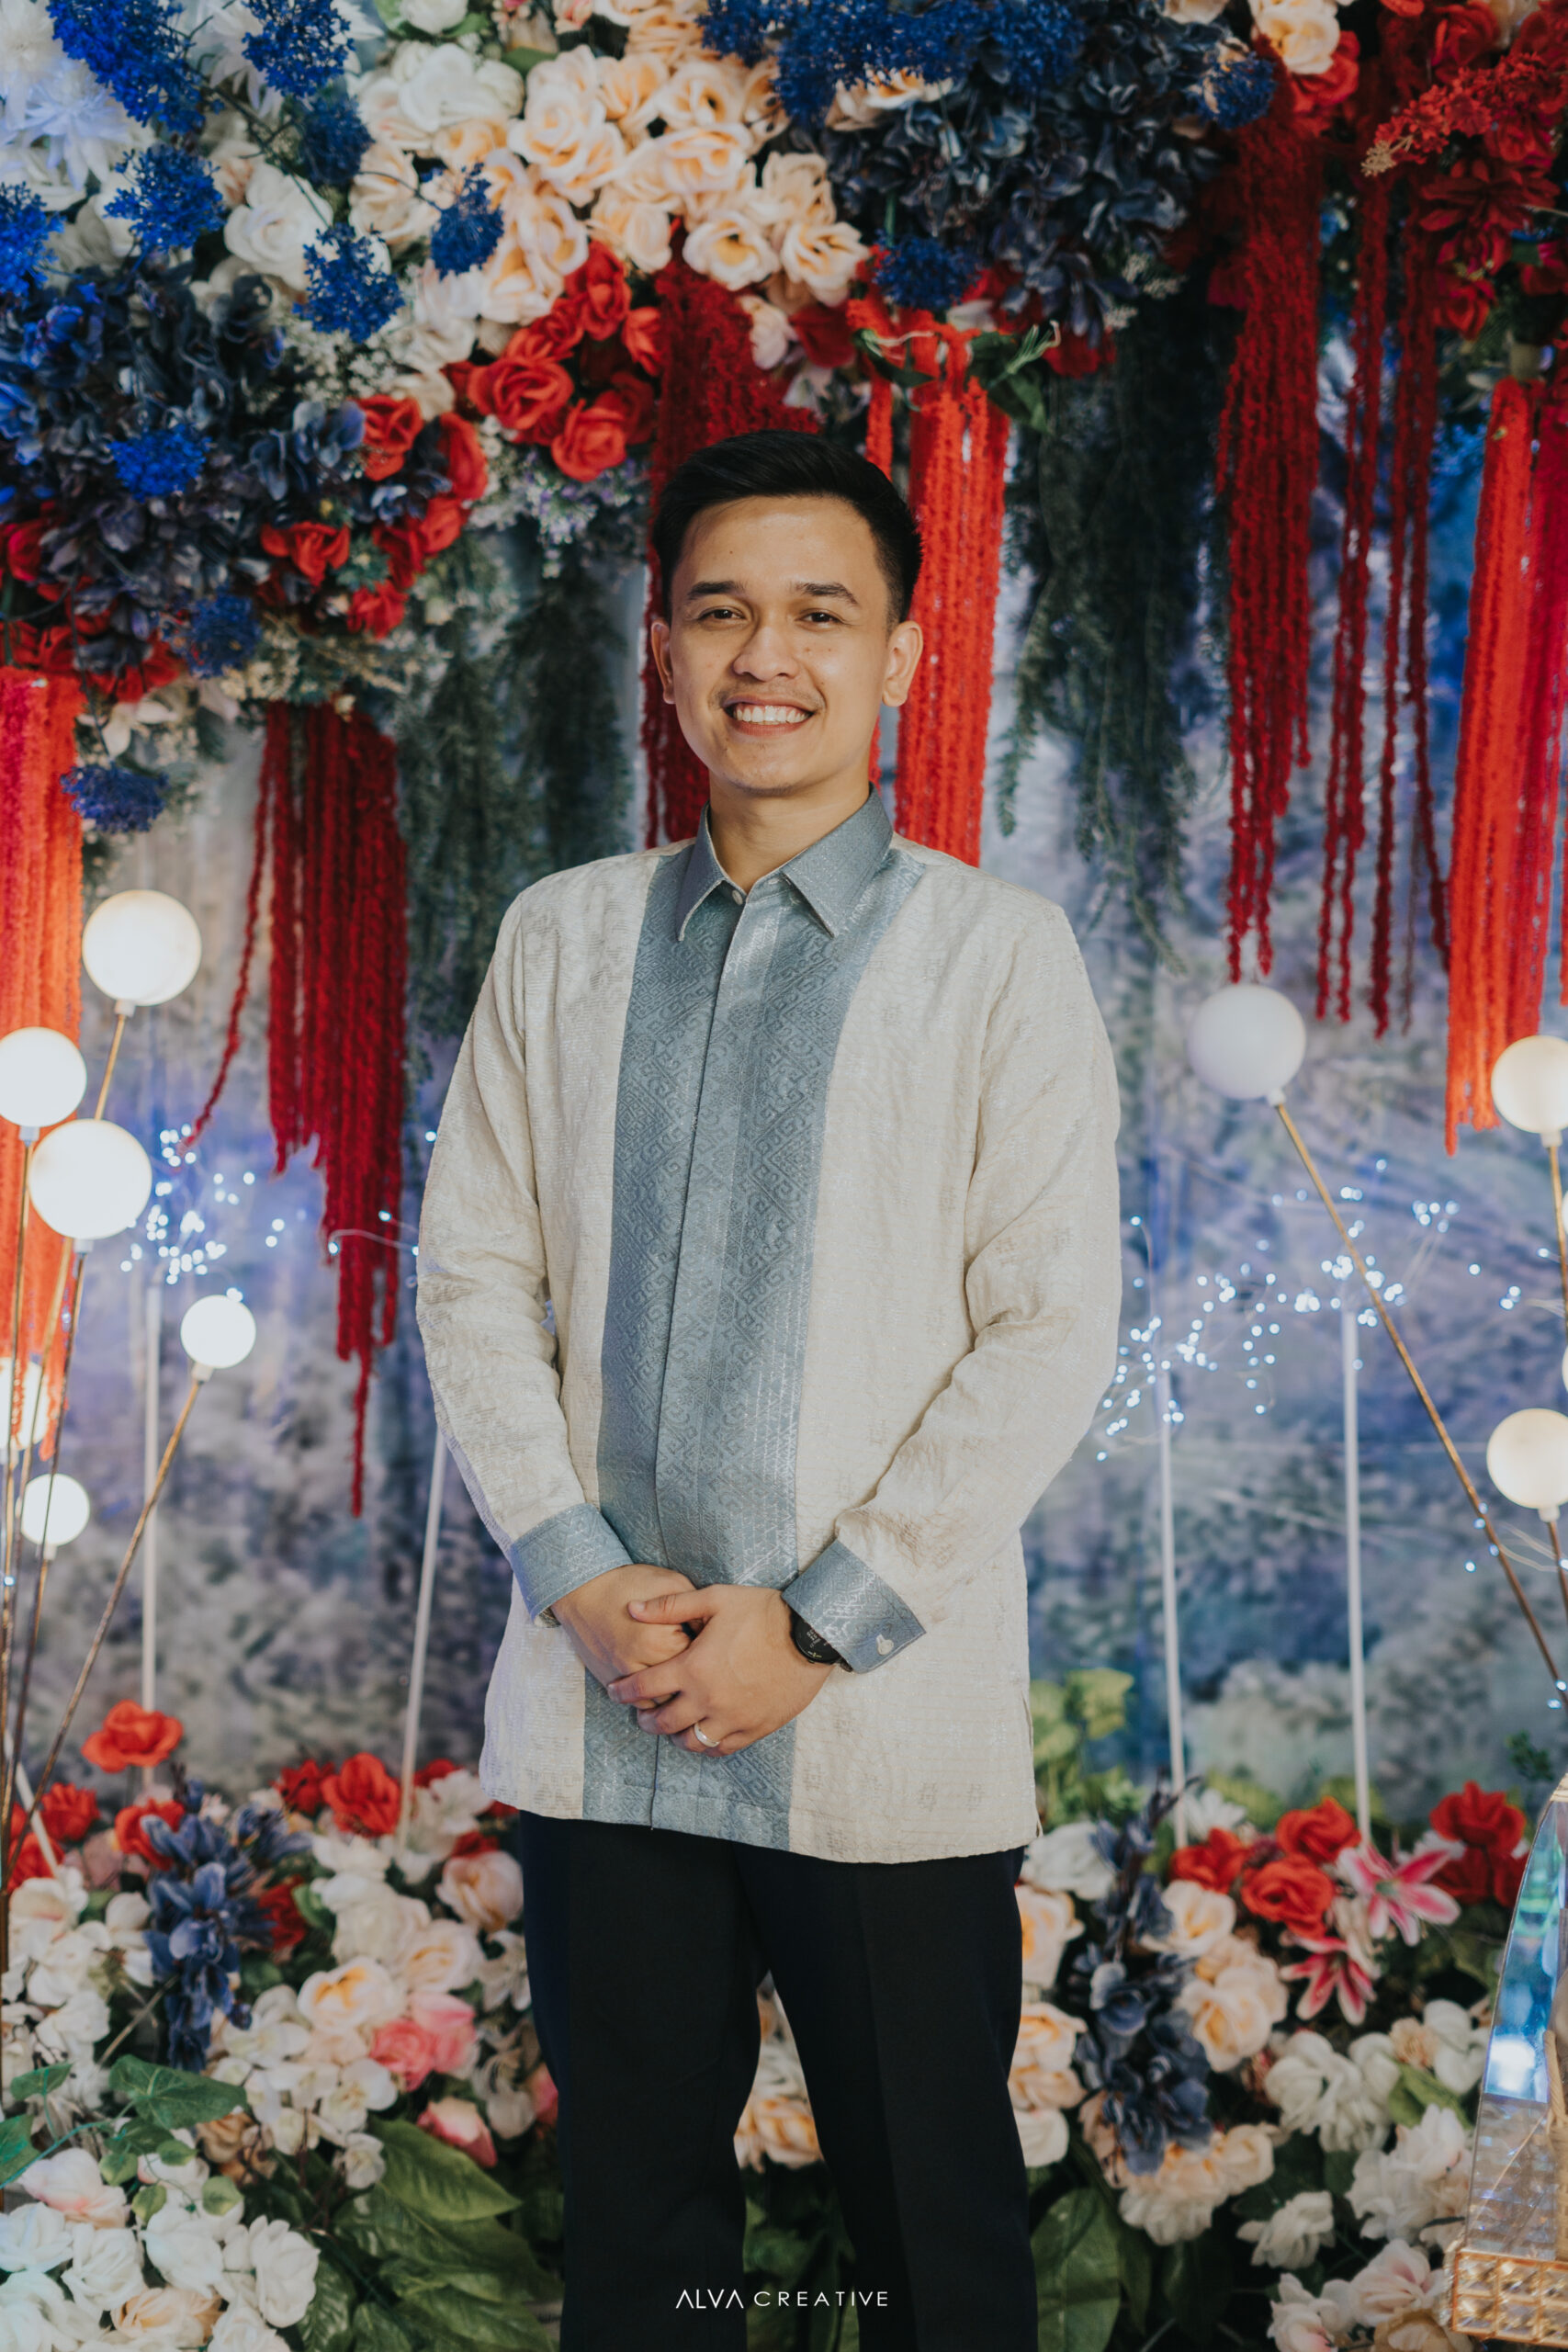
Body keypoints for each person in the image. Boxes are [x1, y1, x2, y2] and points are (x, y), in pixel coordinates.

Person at [416, 428, 1122, 2350]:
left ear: (901, 655)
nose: (767, 657)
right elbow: (471, 1277)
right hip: (609, 1695)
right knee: (641, 2248)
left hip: (877, 1721)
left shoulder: (996, 960)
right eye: (721, 612)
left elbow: (1047, 1328)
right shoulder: (562, 937)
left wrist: (810, 1626)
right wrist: (577, 1574)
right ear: (662, 649)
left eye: (821, 613)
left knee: (934, 2245)